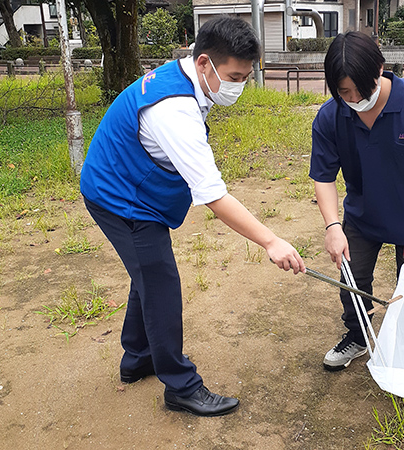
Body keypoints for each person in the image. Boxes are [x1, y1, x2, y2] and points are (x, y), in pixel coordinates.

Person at [80, 16, 306, 416]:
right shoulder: (175, 110)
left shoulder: (187, 79)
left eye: (245, 75)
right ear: (203, 62)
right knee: (161, 282)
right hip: (118, 196)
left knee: (147, 273)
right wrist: (271, 241)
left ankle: (136, 359)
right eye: (234, 76)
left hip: (125, 183)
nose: (238, 84)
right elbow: (214, 196)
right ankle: (180, 386)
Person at [309, 31, 404, 371]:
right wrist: (332, 225)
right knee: (353, 280)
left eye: (363, 88)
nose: (356, 99)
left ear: (380, 70)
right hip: (363, 217)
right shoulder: (330, 117)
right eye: (345, 92)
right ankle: (358, 336)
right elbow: (324, 177)